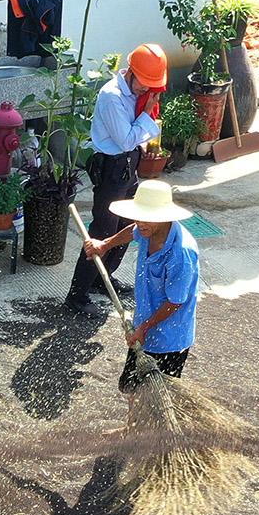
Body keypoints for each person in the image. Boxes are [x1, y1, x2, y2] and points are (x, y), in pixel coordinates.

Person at [65, 42, 167, 315]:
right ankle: (77, 295)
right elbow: (125, 139)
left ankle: (103, 277)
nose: (146, 90)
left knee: (129, 225)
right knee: (103, 231)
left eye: (151, 86)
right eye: (144, 84)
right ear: (131, 72)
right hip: (112, 167)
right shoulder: (112, 96)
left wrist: (145, 136)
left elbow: (135, 138)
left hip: (128, 165)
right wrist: (146, 118)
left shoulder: (137, 92)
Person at [81, 180, 201, 391]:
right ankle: (133, 414)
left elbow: (175, 302)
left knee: (158, 396)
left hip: (169, 338)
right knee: (130, 387)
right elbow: (133, 231)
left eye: (147, 218)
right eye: (138, 216)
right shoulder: (146, 229)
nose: (140, 223)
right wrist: (105, 245)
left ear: (164, 217)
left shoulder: (181, 254)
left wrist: (144, 328)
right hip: (144, 326)